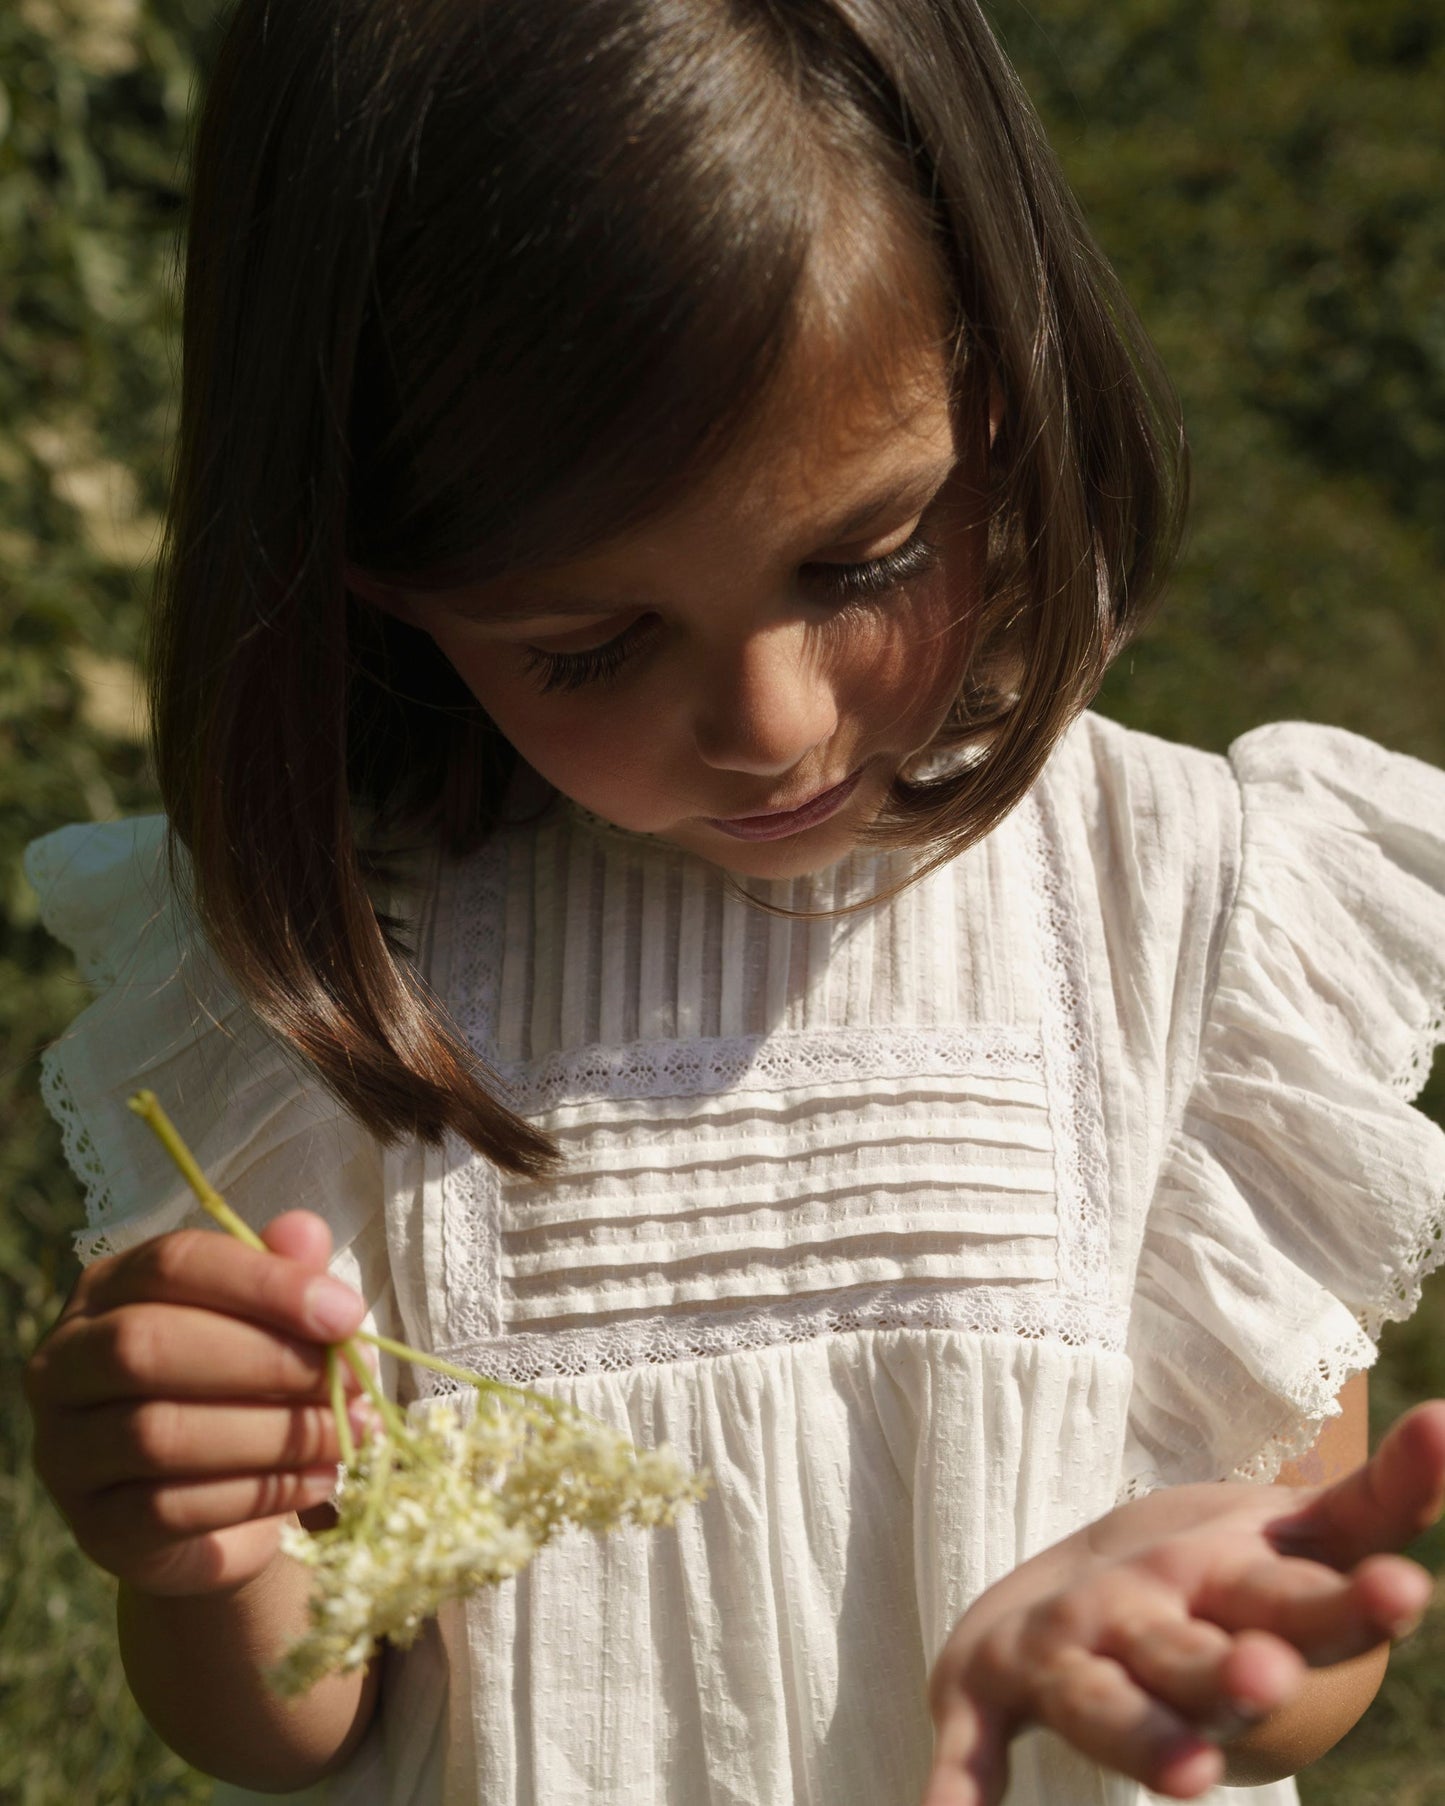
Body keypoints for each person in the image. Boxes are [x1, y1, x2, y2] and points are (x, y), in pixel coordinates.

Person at [19, 0, 1445, 1801]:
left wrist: (1210, 1617)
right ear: (377, 580)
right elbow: (307, 1717)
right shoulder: (339, 982)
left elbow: (1305, 1607)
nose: (769, 723)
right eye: (589, 642)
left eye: (865, 556)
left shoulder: (1175, 915)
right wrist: (198, 1544)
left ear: (1007, 391)